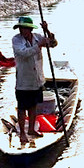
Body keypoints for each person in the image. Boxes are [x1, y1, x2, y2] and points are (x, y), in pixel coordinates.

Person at [12, 16, 58, 144]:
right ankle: (22, 134)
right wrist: (39, 45)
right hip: (23, 81)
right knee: (22, 108)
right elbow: (24, 53)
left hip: (37, 79)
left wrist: (47, 30)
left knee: (33, 106)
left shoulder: (37, 37)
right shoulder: (17, 40)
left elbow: (53, 44)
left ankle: (31, 129)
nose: (22, 31)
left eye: (25, 28)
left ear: (30, 29)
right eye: (21, 28)